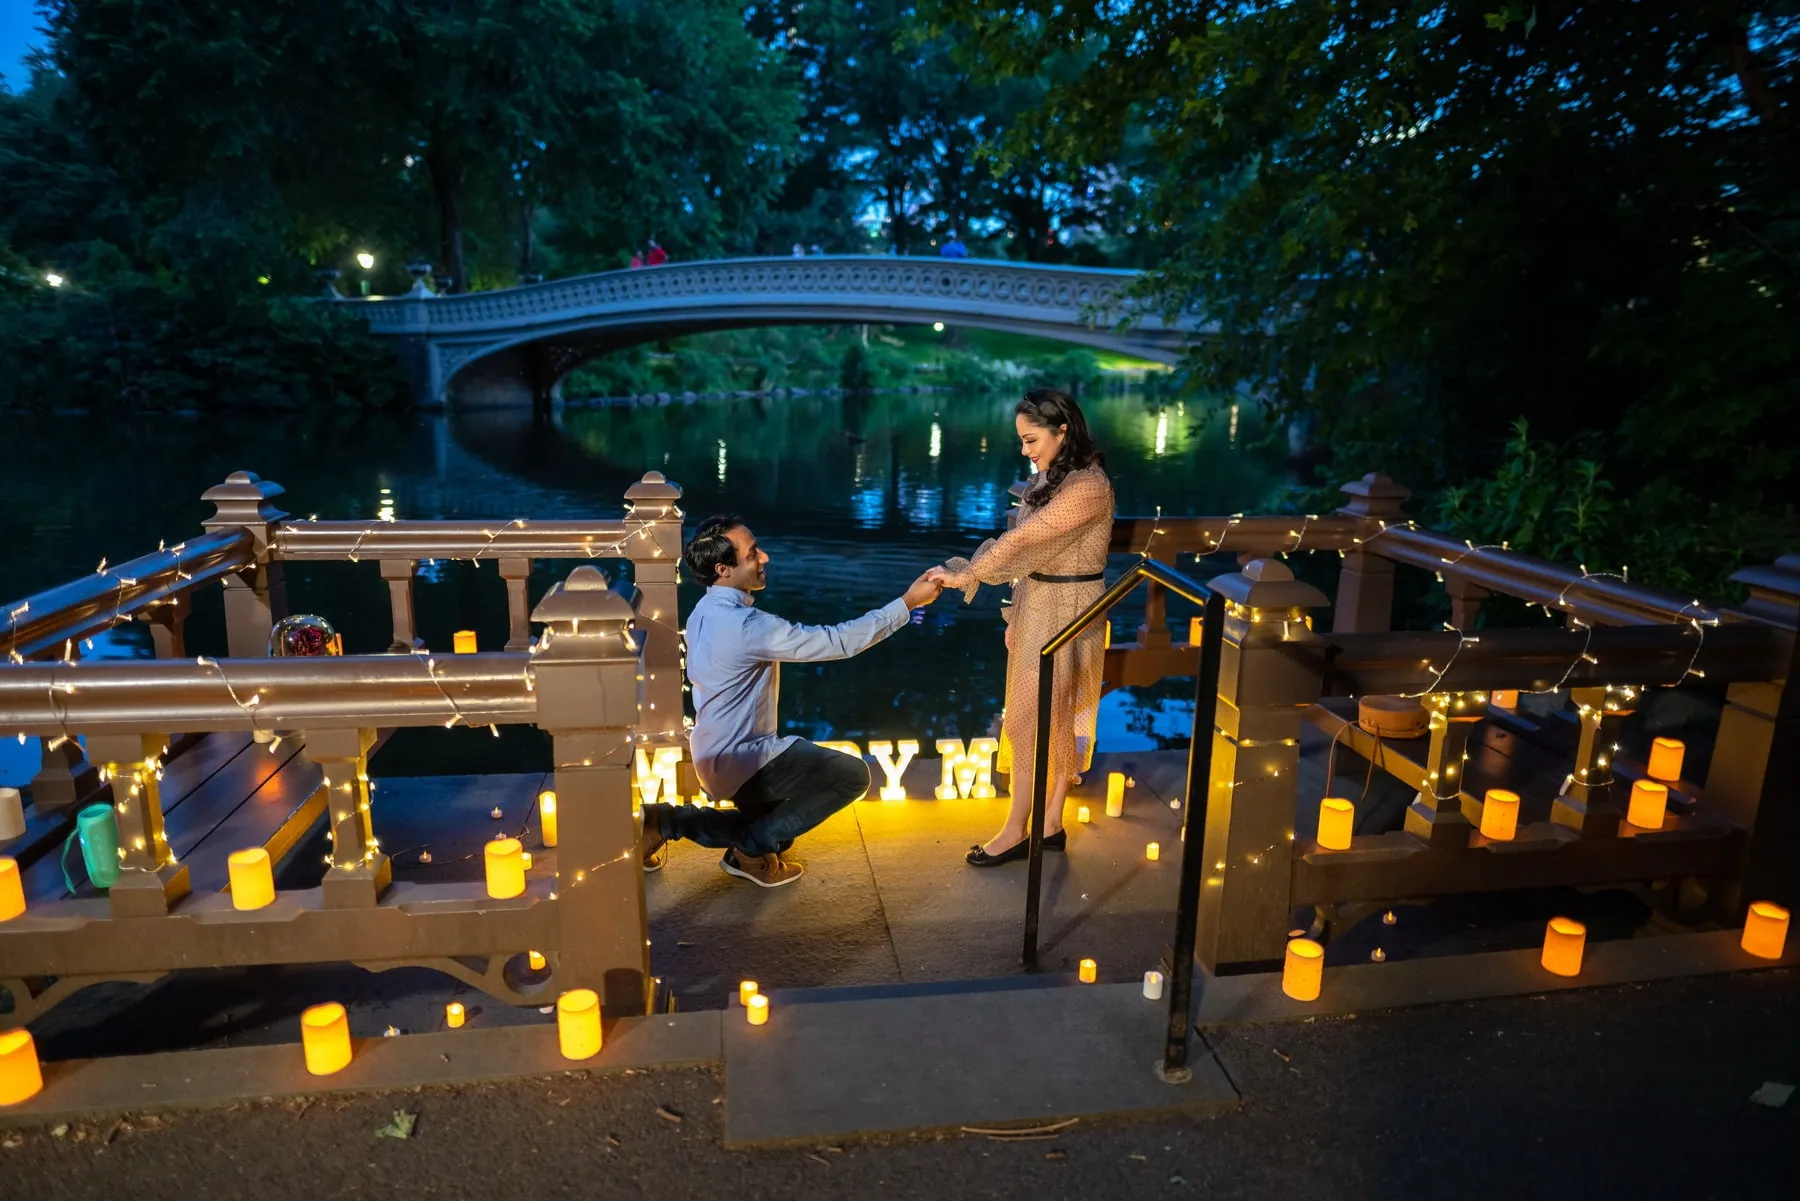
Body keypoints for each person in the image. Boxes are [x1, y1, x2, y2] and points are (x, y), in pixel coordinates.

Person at [641, 516, 944, 887]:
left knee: (778, 832)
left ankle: (665, 822)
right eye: (752, 554)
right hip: (745, 758)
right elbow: (839, 641)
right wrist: (908, 602)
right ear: (723, 569)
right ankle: (749, 853)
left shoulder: (703, 611)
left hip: (713, 755)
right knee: (851, 776)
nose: (764, 557)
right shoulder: (746, 626)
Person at [928, 388, 1113, 866]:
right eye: (1022, 442)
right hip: (1039, 602)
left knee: (1044, 717)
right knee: (1040, 715)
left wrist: (968, 574)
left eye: (1032, 440)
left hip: (1073, 608)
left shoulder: (1088, 487)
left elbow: (1026, 537)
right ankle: (1049, 825)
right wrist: (1014, 613)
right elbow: (1031, 555)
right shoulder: (1050, 478)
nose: (1026, 451)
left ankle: (1022, 829)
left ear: (1062, 430)